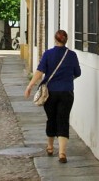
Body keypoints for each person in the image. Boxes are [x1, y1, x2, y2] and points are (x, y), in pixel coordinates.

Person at [24, 29, 81, 163]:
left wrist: (30, 86)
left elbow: (39, 72)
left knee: (51, 119)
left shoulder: (48, 54)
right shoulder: (72, 55)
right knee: (63, 119)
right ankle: (62, 153)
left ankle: (50, 147)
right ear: (66, 40)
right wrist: (67, 79)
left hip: (50, 93)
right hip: (67, 92)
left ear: (55, 40)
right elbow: (77, 73)